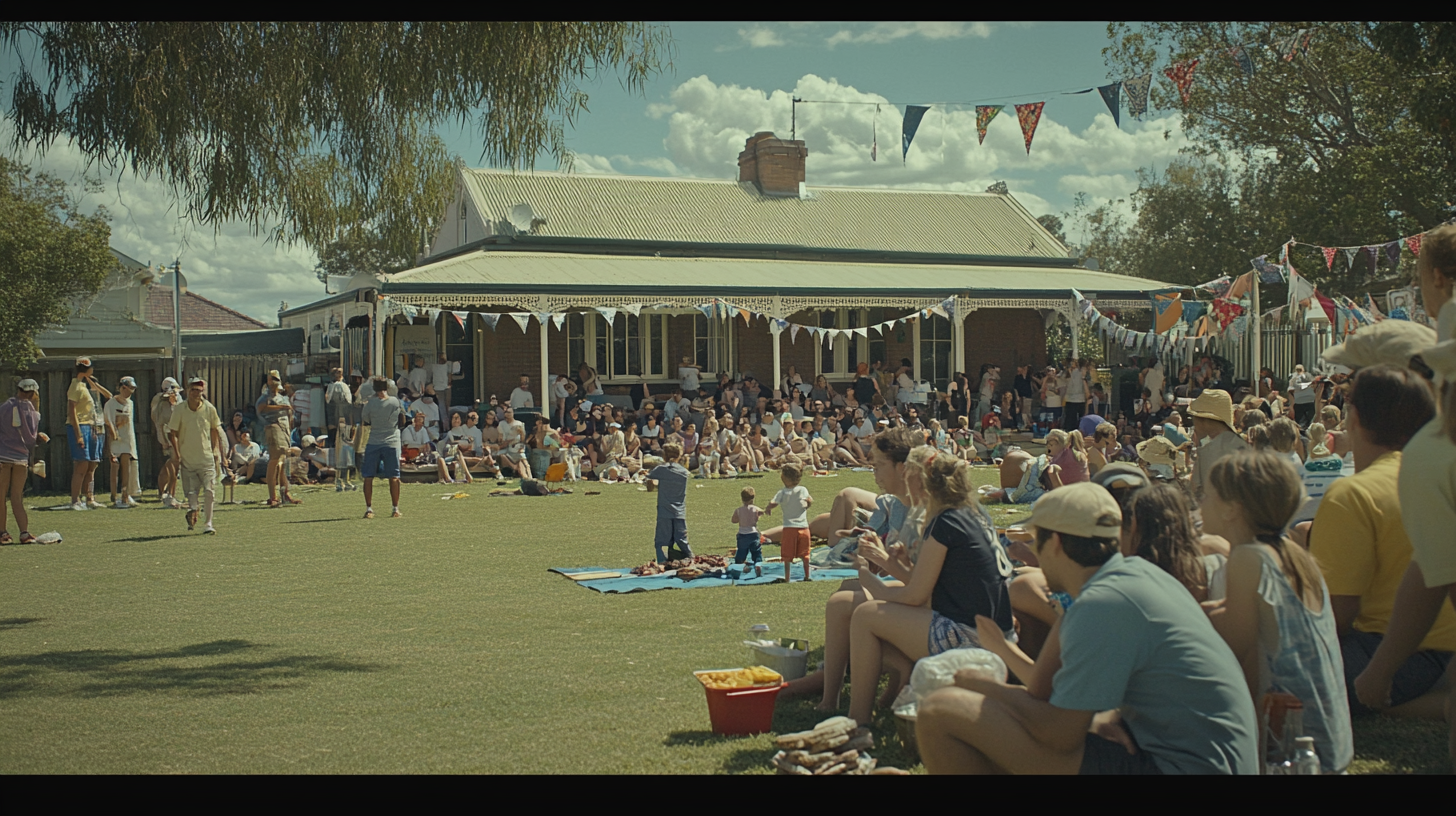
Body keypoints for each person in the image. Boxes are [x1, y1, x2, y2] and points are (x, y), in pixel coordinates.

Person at [916, 482, 1259, 775]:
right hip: (1200, 760)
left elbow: (1058, 734)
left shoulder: (1103, 603)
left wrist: (983, 685)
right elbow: (1044, 697)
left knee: (940, 711)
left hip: (1182, 768)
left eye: (1037, 541)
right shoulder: (1133, 579)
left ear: (1056, 544)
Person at [1308, 364, 1454, 718]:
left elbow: (1336, 616)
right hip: (1444, 651)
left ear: (1353, 417)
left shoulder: (1352, 494)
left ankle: (1401, 704)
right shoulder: (1436, 476)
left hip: (1391, 652)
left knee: (1270, 661)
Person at [1201, 450, 1353, 773]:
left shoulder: (1248, 559)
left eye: (1206, 495)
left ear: (1231, 509)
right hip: (1329, 743)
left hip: (1289, 749)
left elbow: (1232, 646)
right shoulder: (1292, 554)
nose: (1200, 503)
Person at [847, 446, 1015, 725]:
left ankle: (858, 720)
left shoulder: (944, 522)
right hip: (997, 635)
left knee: (865, 615)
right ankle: (898, 678)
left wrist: (870, 580)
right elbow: (933, 585)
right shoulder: (968, 514)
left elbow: (915, 595)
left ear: (919, 479)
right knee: (875, 612)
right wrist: (894, 566)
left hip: (970, 638)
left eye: (908, 474)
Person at [167, 377, 224, 535]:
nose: (196, 393)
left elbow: (215, 429)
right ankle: (194, 510)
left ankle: (208, 523)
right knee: (191, 494)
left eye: (199, 390)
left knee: (210, 491)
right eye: (193, 389)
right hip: (187, 458)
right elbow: (172, 432)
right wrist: (177, 453)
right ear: (187, 391)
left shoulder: (209, 408)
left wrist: (215, 450)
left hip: (206, 458)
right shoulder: (180, 409)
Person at [0, 379, 48, 544]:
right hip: (20, 458)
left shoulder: (5, 407)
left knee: (0, 497)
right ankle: (24, 533)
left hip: (2, 457)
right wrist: (40, 440)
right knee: (17, 497)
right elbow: (30, 439)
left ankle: (3, 533)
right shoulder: (31, 412)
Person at [66, 357, 111, 510]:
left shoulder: (86, 386)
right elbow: (71, 411)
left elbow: (108, 395)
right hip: (81, 426)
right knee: (81, 464)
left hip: (94, 426)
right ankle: (75, 500)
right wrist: (78, 435)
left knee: (92, 463)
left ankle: (90, 498)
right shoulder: (75, 386)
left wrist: (92, 381)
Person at [1187, 389, 1247, 500]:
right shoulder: (1242, 445)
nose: (1194, 424)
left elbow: (1195, 493)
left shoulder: (1209, 451)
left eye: (1194, 418)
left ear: (1205, 421)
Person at [359, 377, 404, 519]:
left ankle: (369, 508)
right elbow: (402, 419)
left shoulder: (369, 404)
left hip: (374, 441)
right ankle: (395, 508)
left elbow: (366, 420)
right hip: (392, 441)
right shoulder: (395, 402)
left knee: (368, 476)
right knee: (394, 476)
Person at [256, 370, 300, 507]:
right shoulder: (265, 397)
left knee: (283, 462)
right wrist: (281, 407)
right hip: (273, 427)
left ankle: (285, 493)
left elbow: (290, 413)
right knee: (274, 460)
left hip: (285, 429)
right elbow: (260, 408)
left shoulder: (283, 397)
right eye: (272, 378)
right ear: (268, 380)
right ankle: (272, 496)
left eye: (276, 378)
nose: (274, 381)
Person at [765, 463, 814, 583]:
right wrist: (807, 505)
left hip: (789, 528)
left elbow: (773, 503)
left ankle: (787, 578)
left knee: (787, 556)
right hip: (803, 527)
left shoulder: (782, 492)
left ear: (784, 478)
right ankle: (807, 575)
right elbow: (809, 500)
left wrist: (768, 509)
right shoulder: (803, 490)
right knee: (805, 554)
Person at [648, 442, 692, 563]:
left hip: (664, 511)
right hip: (679, 512)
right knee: (682, 541)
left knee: (661, 542)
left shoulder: (661, 469)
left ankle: (662, 563)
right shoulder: (683, 471)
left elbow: (650, 481)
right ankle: (690, 559)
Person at [103, 376, 139, 508]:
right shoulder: (111, 403)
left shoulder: (130, 403)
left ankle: (125, 493)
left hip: (127, 439)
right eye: (129, 388)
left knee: (126, 467)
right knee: (115, 467)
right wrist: (113, 436)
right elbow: (108, 421)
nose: (130, 392)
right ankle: (114, 495)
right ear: (122, 387)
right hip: (115, 440)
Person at [151, 376, 182, 507]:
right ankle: (169, 494)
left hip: (179, 437)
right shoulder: (159, 402)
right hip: (167, 437)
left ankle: (166, 493)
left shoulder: (178, 400)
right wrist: (163, 440)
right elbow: (158, 422)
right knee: (172, 464)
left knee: (173, 464)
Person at [731, 486, 766, 578]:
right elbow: (762, 512)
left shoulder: (738, 510)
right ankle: (758, 564)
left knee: (741, 552)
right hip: (753, 533)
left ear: (742, 498)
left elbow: (733, 520)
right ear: (753, 498)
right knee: (756, 552)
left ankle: (739, 566)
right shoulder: (755, 509)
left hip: (742, 534)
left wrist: (740, 518)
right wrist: (757, 516)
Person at [495, 405, 531, 479]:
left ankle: (529, 477)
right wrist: (507, 441)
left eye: (509, 412)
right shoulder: (502, 424)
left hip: (517, 448)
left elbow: (522, 440)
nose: (508, 414)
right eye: (506, 412)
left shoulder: (519, 424)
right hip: (506, 448)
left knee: (523, 462)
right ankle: (515, 469)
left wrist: (521, 433)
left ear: (513, 413)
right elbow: (500, 440)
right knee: (500, 455)